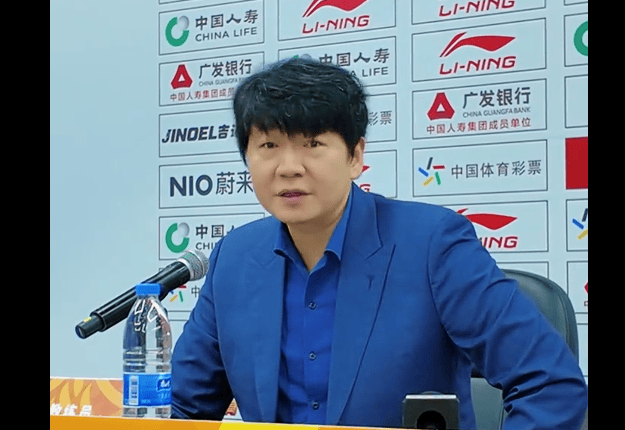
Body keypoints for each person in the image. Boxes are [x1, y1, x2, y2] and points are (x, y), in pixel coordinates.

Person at [170, 57, 588, 429]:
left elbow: (549, 384)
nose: (288, 167)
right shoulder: (235, 258)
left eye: (312, 144)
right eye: (268, 146)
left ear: (355, 156)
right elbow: (184, 408)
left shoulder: (432, 244)